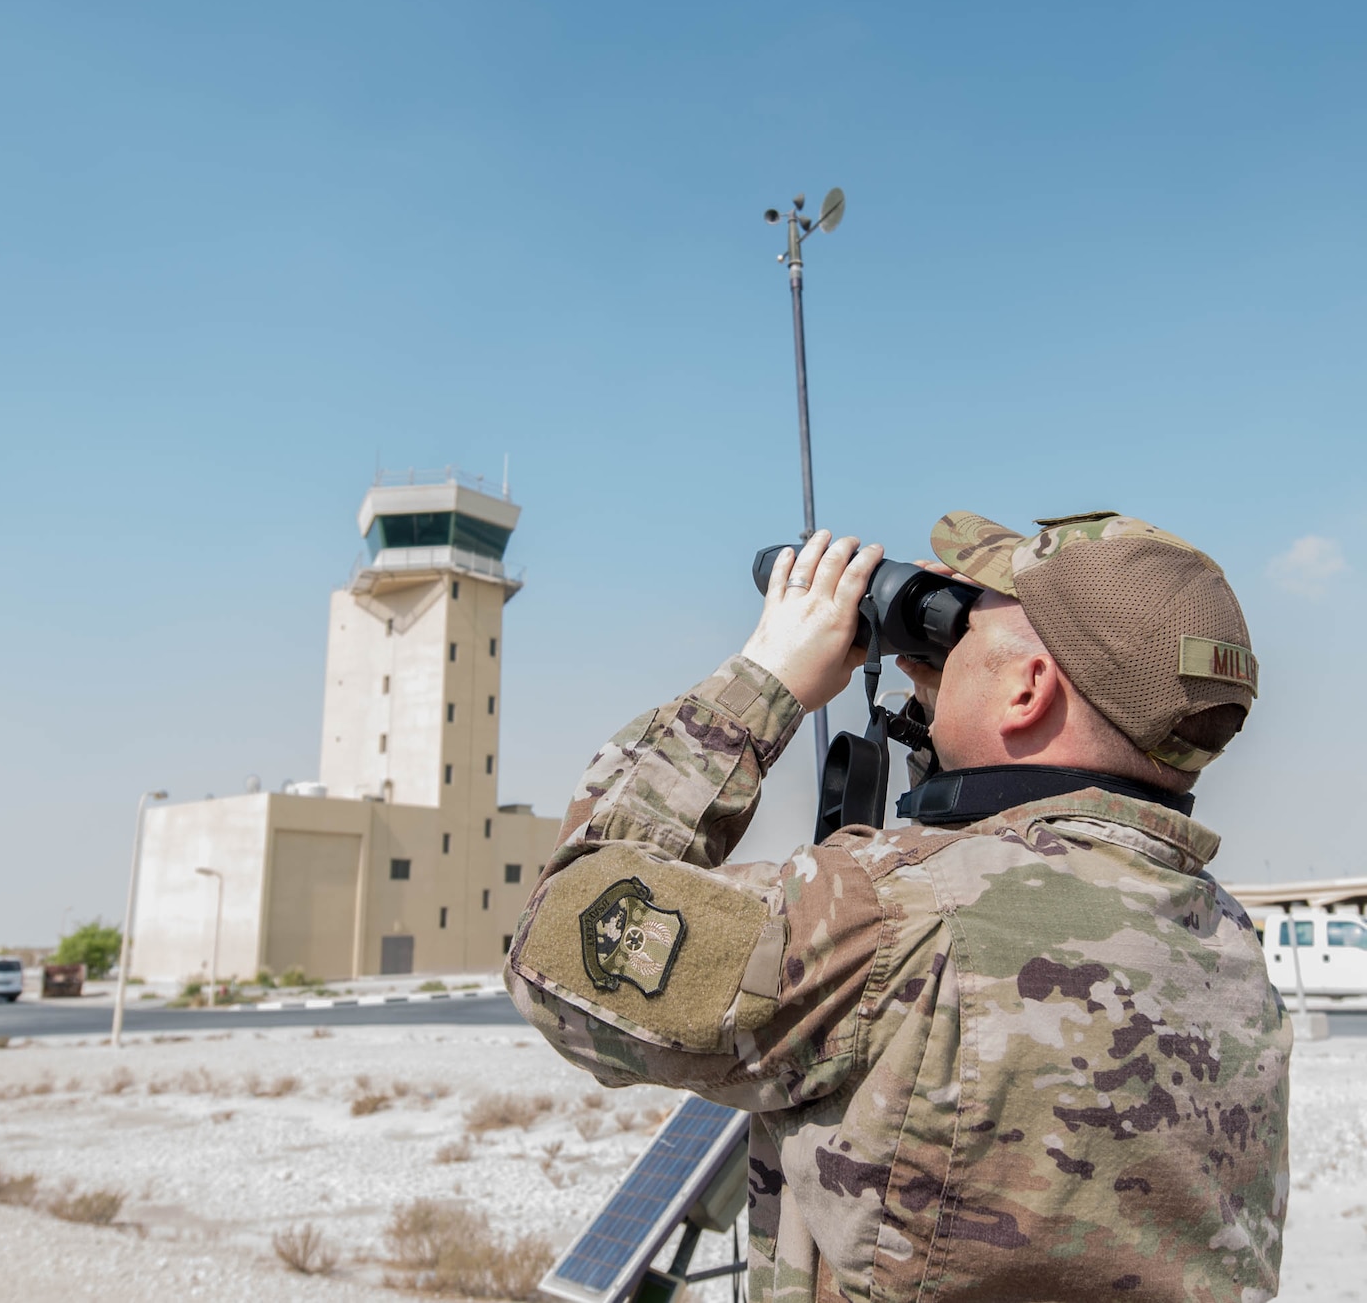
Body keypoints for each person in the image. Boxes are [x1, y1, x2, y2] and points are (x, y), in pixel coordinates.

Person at [506, 511, 1288, 1302]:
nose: (941, 652)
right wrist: (947, 714)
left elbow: (560, 938)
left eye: (965, 622)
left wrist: (762, 683)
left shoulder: (894, 919)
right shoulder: (1225, 941)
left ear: (1027, 689)